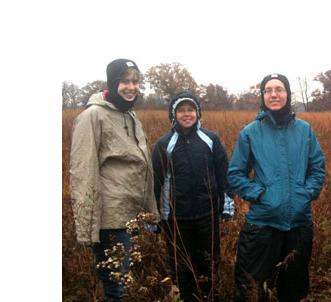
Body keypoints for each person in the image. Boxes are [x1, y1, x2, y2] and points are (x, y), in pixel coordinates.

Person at [228, 73, 326, 302]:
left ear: (288, 94)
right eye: (268, 90)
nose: (274, 94)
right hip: (262, 224)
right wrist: (260, 194)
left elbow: (318, 169)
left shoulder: (305, 130)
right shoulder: (251, 132)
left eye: (279, 89)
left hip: (299, 224)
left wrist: (306, 193)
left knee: (294, 289)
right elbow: (235, 173)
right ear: (263, 96)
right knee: (252, 289)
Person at [70, 58, 159, 302]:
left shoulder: (129, 115)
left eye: (136, 82)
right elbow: (83, 170)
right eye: (125, 81)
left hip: (130, 214)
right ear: (113, 82)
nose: (132, 87)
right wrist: (88, 226)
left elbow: (143, 166)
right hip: (110, 219)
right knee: (113, 286)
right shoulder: (93, 116)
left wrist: (150, 211)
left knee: (122, 281)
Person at [151, 91, 235, 302]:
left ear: (198, 113)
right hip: (176, 218)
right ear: (173, 114)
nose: (186, 114)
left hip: (208, 214)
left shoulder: (210, 139)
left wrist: (227, 206)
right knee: (181, 264)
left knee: (209, 262)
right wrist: (153, 217)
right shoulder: (164, 144)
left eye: (191, 110)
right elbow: (155, 182)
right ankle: (187, 297)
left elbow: (224, 174)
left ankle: (209, 295)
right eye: (181, 110)